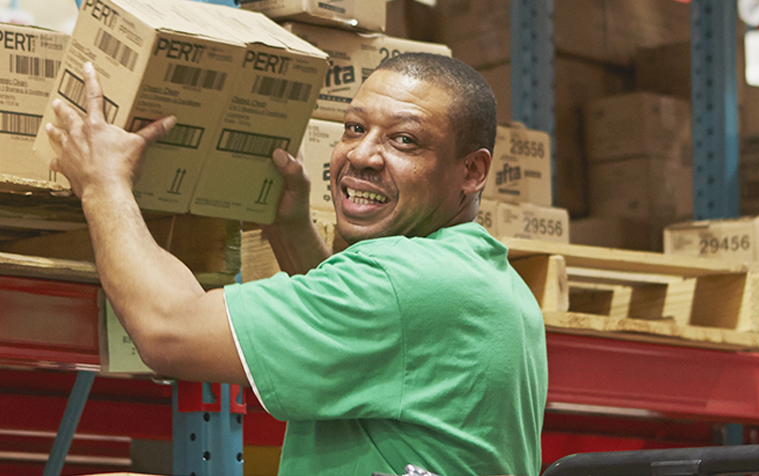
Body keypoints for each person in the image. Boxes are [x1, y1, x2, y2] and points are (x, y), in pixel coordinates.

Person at [45, 52, 547, 476]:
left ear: (472, 171)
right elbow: (363, 338)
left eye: (404, 140)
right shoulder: (485, 275)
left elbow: (167, 330)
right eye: (354, 128)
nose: (363, 155)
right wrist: (288, 230)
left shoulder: (404, 281)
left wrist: (102, 183)